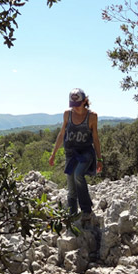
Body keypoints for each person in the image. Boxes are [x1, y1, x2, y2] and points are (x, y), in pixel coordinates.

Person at [48, 88, 103, 221]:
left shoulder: (92, 116)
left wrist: (99, 158)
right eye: (73, 106)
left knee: (78, 175)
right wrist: (53, 154)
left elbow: (95, 138)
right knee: (71, 185)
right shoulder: (67, 114)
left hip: (86, 153)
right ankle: (72, 214)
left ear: (85, 101)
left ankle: (86, 210)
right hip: (71, 153)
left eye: (78, 105)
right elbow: (62, 134)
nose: (76, 109)